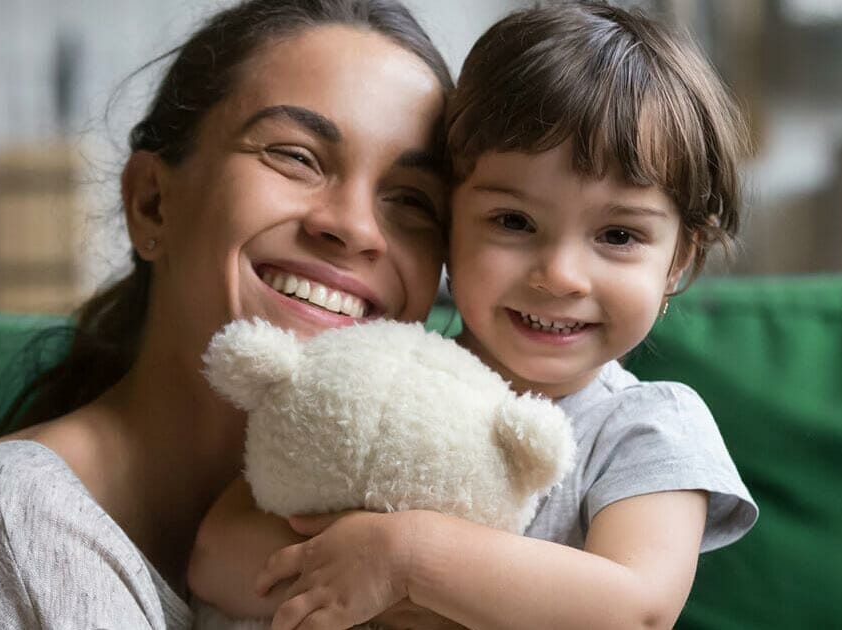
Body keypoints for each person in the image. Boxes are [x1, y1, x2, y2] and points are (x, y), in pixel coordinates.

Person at [0, 1, 454, 627]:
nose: (354, 228)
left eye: (412, 200)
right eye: (296, 156)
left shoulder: (426, 551)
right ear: (152, 203)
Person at [191, 2, 759, 629]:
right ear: (449, 228)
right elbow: (218, 555)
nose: (561, 276)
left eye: (619, 235)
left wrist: (407, 562)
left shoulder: (647, 426)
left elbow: (634, 610)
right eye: (513, 222)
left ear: (679, 258)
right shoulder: (375, 371)